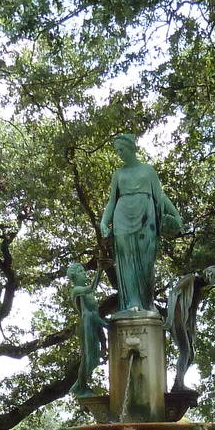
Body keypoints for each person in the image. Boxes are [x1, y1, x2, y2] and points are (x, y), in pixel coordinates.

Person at [99, 133, 181, 313]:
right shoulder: (118, 174)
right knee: (127, 260)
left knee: (146, 260)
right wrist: (104, 222)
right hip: (122, 217)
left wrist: (176, 215)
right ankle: (132, 302)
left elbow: (160, 195)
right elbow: (112, 201)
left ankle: (146, 301)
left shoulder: (148, 170)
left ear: (131, 149)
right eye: (117, 151)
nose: (119, 153)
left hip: (146, 216)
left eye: (121, 149)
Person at [66, 262, 108, 395]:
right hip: (86, 325)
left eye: (84, 271)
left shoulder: (87, 293)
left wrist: (106, 327)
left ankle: (81, 385)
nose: (84, 274)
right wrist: (100, 270)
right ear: (74, 276)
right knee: (88, 357)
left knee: (94, 359)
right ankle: (80, 386)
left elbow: (95, 314)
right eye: (81, 272)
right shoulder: (77, 290)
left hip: (93, 324)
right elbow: (92, 288)